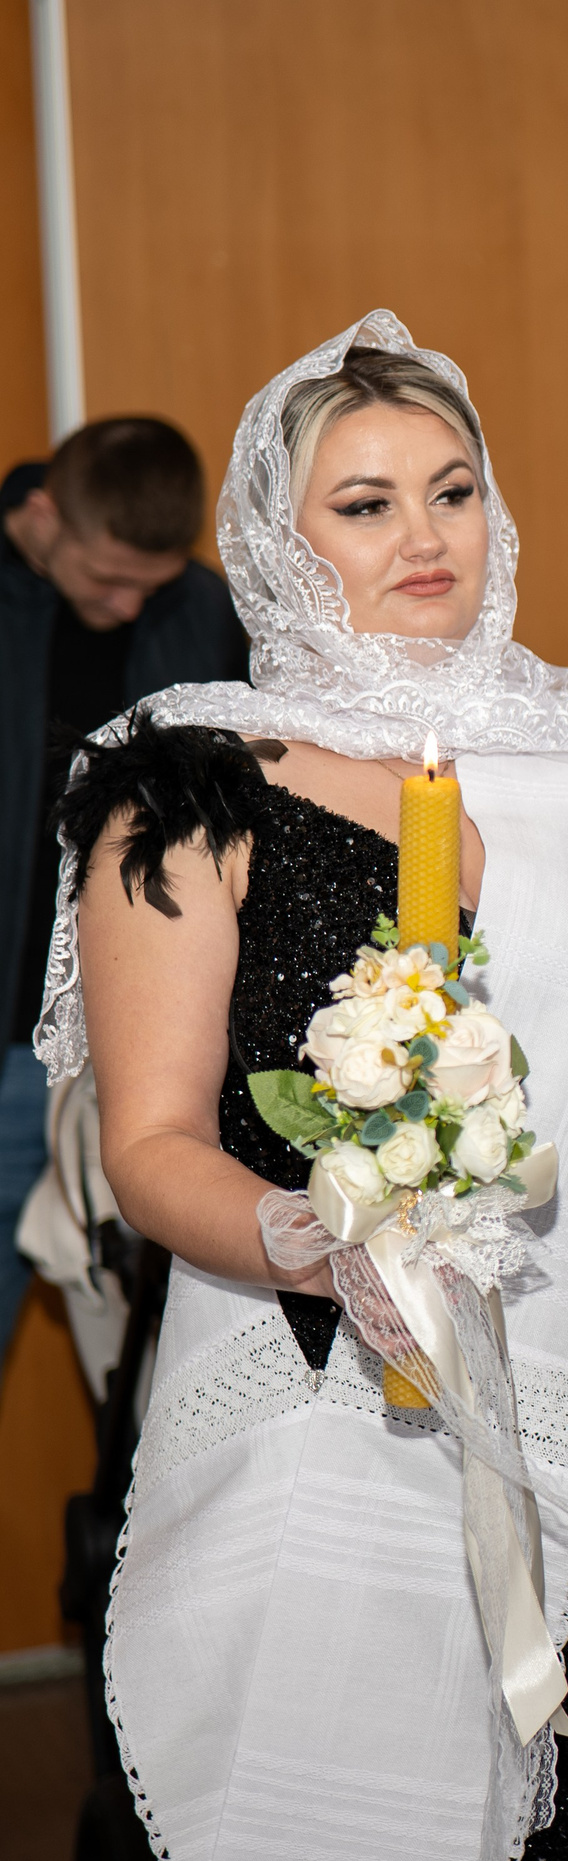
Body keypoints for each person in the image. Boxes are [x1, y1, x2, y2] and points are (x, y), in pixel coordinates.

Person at [41, 312, 568, 1861]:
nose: (425, 537)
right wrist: (316, 1237)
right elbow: (151, 1141)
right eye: (364, 505)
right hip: (317, 1374)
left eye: (454, 489)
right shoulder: (197, 781)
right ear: (279, 546)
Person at [0, 418, 243, 1375]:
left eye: (151, 583)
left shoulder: (203, 612)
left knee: (157, 1384)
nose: (126, 601)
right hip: (6, 1047)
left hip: (142, 1062)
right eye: (106, 577)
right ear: (45, 515)